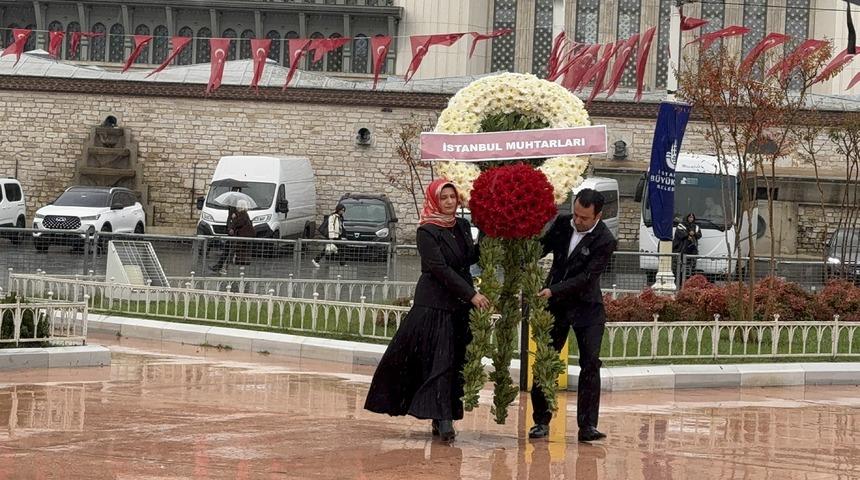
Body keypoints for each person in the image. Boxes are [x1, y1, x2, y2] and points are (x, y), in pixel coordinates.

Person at [364, 179, 490, 442]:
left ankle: (441, 414)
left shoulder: (463, 226)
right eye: (443, 198)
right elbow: (439, 269)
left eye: (452, 197)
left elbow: (468, 258)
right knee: (439, 359)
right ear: (434, 200)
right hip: (435, 304)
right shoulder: (427, 231)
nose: (448, 202)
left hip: (459, 306)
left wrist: (491, 231)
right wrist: (472, 294)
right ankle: (444, 421)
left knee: (453, 360)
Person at [529, 188, 617, 442]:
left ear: (598, 216)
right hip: (554, 305)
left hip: (587, 307)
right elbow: (540, 249)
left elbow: (586, 278)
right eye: (576, 214)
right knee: (546, 359)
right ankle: (540, 421)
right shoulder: (561, 224)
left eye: (584, 218)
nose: (577, 221)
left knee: (590, 363)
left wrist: (552, 290)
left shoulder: (605, 240)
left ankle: (587, 425)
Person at [210, 206, 237, 275]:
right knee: (226, 251)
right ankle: (219, 266)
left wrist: (235, 219)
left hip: (236, 236)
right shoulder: (231, 213)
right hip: (231, 235)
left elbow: (239, 224)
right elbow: (229, 222)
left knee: (231, 252)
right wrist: (229, 228)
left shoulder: (238, 214)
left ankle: (225, 268)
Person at [673, 212, 701, 278]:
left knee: (691, 265)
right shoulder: (681, 225)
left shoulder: (696, 226)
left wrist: (694, 234)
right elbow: (680, 234)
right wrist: (687, 235)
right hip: (681, 249)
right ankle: (678, 280)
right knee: (678, 266)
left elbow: (699, 235)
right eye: (689, 217)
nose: (691, 219)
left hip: (692, 249)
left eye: (692, 217)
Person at [231, 200, 256, 266]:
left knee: (242, 249)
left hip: (242, 235)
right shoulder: (243, 214)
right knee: (242, 249)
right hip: (243, 235)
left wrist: (234, 218)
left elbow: (238, 224)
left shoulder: (243, 214)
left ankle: (241, 261)